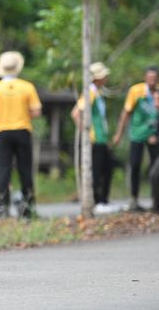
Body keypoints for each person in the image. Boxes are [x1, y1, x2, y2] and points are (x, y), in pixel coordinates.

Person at [0, 51, 41, 218]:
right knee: (25, 169)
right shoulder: (27, 87)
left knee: (4, 169)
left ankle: (3, 207)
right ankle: (28, 209)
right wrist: (22, 114)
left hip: (2, 132)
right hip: (22, 130)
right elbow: (36, 111)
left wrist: (1, 117)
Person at [112, 67, 159, 210]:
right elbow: (126, 113)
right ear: (145, 78)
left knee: (156, 168)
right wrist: (119, 134)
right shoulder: (136, 91)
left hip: (154, 136)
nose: (152, 81)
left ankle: (156, 201)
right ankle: (134, 199)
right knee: (135, 165)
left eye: (154, 78)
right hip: (137, 135)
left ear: (158, 79)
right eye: (149, 77)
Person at [72, 62, 113, 213]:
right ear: (97, 78)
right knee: (97, 171)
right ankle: (97, 201)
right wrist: (86, 134)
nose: (106, 78)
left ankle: (103, 201)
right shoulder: (90, 92)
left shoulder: (98, 92)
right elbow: (76, 113)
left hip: (102, 138)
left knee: (106, 169)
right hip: (95, 139)